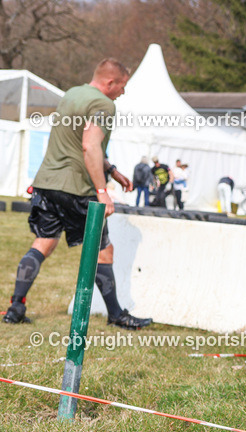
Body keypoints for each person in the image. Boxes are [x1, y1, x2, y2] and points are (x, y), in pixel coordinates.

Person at [3, 59, 152, 330]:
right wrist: (102, 191)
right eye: (122, 86)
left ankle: (15, 307)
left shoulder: (71, 94)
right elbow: (89, 146)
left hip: (47, 182)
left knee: (44, 243)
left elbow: (74, 142)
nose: (123, 92)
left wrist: (113, 170)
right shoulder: (104, 105)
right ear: (110, 83)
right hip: (77, 188)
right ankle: (117, 314)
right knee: (104, 252)